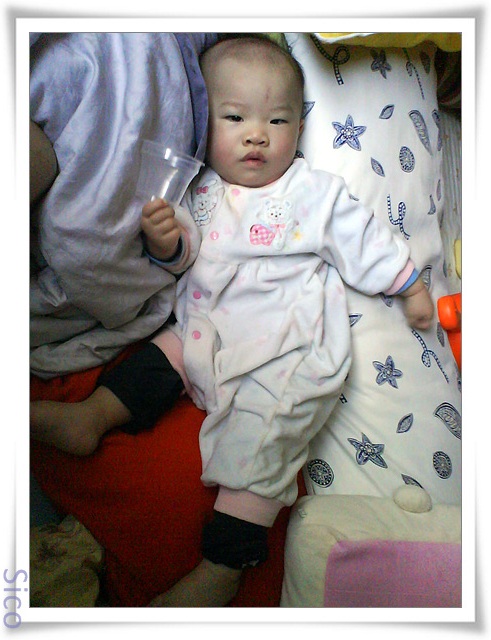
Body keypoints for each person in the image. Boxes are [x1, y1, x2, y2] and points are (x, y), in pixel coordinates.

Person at [31, 34, 434, 606]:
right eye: (235, 117)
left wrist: (410, 286)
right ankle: (91, 417)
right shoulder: (198, 190)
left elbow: (363, 238)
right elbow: (183, 257)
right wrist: (166, 242)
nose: (257, 134)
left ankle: (221, 568)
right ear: (205, 125)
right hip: (203, 331)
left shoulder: (311, 192)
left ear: (299, 129)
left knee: (259, 453)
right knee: (158, 358)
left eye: (277, 120)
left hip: (281, 357)